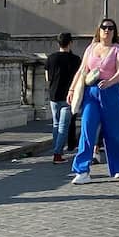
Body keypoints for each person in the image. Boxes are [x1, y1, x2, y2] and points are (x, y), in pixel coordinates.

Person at [66, 19, 119, 184]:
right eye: (104, 27)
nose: (107, 30)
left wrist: (111, 81)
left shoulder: (118, 50)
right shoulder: (91, 48)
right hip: (91, 92)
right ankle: (82, 170)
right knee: (87, 128)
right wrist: (72, 89)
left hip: (111, 92)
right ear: (99, 30)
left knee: (114, 132)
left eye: (110, 28)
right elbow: (82, 70)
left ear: (114, 32)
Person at [45, 32, 81, 164]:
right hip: (68, 96)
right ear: (70, 43)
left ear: (58, 43)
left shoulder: (51, 58)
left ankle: (56, 148)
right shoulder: (76, 60)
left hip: (53, 95)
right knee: (63, 126)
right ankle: (57, 153)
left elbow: (47, 78)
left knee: (56, 124)